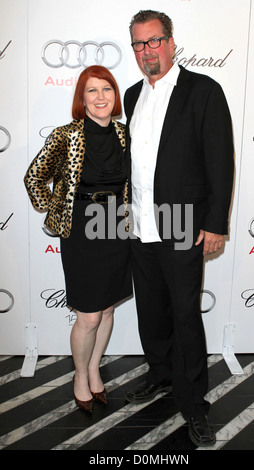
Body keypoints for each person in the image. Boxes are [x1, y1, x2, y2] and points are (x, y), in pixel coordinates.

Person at [124, 10, 234, 446]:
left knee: (186, 315)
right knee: (151, 310)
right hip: (137, 224)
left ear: (171, 41)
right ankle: (161, 375)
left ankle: (194, 403)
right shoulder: (132, 96)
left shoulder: (203, 90)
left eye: (154, 41)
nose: (147, 51)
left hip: (184, 223)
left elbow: (220, 161)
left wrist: (214, 224)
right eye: (138, 44)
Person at [24, 65, 132, 414]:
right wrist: (54, 210)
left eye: (107, 89)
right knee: (88, 316)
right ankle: (79, 376)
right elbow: (34, 177)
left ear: (115, 96)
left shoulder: (125, 134)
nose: (101, 97)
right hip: (82, 231)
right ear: (81, 98)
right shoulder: (66, 135)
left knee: (108, 308)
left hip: (117, 226)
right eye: (92, 90)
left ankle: (94, 368)